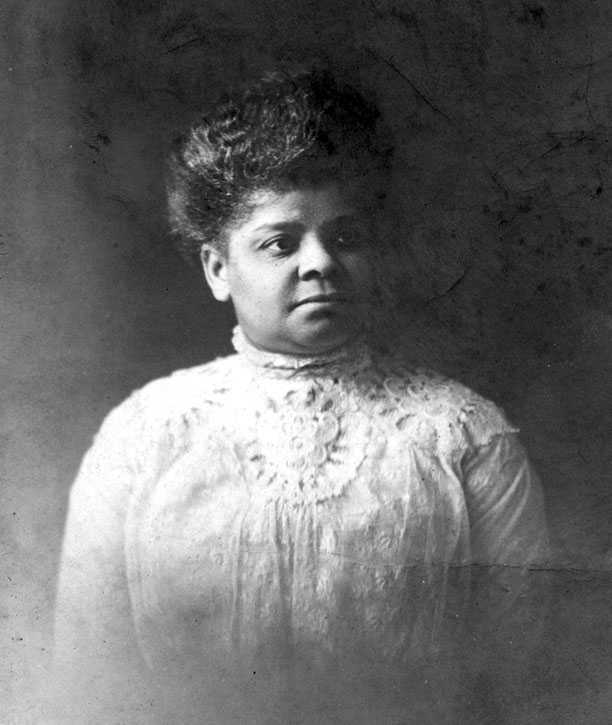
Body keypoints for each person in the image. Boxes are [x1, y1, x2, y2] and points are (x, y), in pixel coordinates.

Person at [52, 70, 548, 724]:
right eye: (280, 242)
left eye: (345, 237)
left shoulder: (461, 435)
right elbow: (88, 672)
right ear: (217, 267)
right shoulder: (145, 435)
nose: (319, 262)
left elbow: (516, 671)